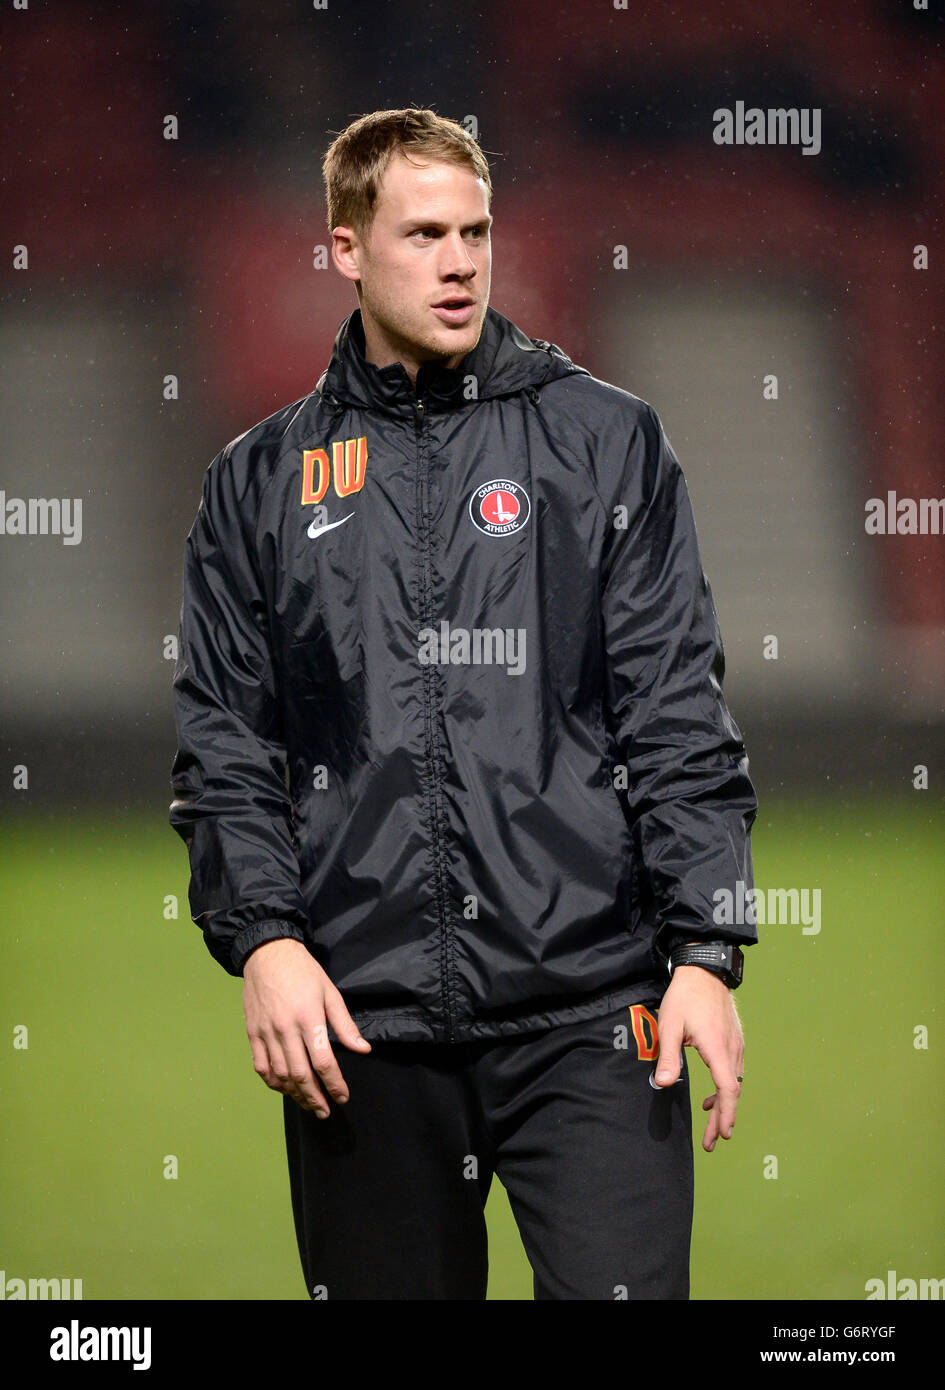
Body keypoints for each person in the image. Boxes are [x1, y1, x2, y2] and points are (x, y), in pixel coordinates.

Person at [169, 106, 758, 1301]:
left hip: (593, 1014)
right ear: (343, 249)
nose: (459, 262)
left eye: (477, 230)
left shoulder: (607, 442)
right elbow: (228, 745)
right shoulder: (258, 483)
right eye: (424, 232)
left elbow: (678, 711)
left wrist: (704, 947)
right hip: (362, 1028)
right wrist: (268, 940)